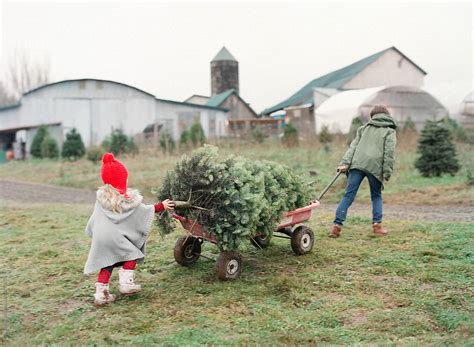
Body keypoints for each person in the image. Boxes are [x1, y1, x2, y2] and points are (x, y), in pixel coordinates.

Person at [84, 152, 174, 306]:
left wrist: (93, 232)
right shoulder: (127, 201)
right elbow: (143, 211)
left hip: (102, 238)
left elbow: (94, 219)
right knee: (132, 252)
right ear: (122, 180)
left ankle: (101, 294)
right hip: (116, 239)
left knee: (107, 263)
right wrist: (161, 206)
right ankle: (126, 282)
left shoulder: (101, 200)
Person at [330, 104, 397, 238]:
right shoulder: (389, 131)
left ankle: (336, 227)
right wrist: (387, 172)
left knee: (348, 195)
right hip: (375, 167)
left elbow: (353, 147)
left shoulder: (363, 129)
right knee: (376, 196)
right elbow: (389, 153)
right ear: (387, 116)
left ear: (372, 116)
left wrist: (345, 163)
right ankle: (377, 226)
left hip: (357, 163)